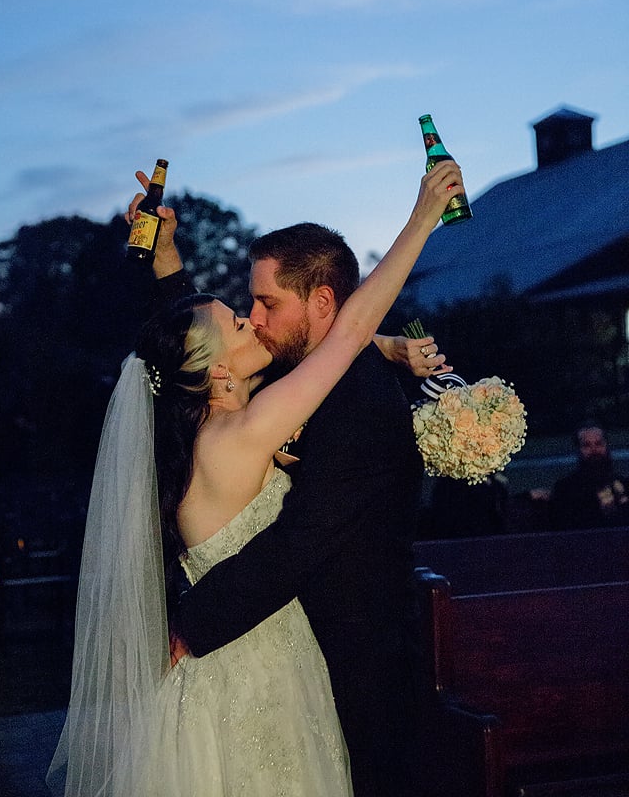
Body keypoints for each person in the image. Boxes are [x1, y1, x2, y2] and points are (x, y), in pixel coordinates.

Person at [48, 160, 465, 797]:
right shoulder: (259, 399)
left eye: (266, 303)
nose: (255, 318)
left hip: (360, 669)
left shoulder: (353, 402)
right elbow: (201, 344)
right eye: (247, 312)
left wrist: (194, 622)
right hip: (269, 657)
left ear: (321, 300)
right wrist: (166, 260)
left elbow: (298, 540)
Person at [549, 423, 629, 531]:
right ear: (578, 449)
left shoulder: (623, 484)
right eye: (587, 445)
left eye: (599, 444)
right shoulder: (566, 489)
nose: (594, 450)